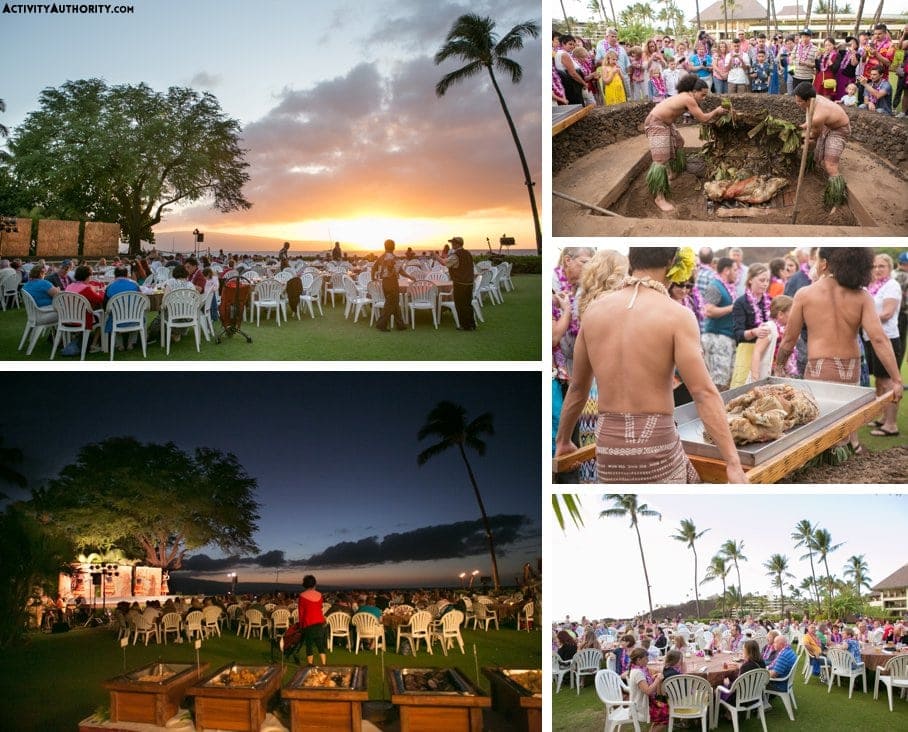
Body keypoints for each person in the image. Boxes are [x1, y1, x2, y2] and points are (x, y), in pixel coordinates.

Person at [554, 247, 747, 484]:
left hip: (608, 449)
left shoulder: (594, 312)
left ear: (632, 260)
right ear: (671, 261)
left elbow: (577, 389)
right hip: (655, 446)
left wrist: (563, 441)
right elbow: (703, 393)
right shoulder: (677, 315)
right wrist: (733, 463)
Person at [776, 248, 902, 452]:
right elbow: (879, 339)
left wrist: (779, 367)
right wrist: (896, 379)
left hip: (818, 369)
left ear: (824, 263)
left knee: (820, 431)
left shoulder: (805, 294)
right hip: (850, 370)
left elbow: (789, 340)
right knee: (846, 428)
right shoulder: (862, 296)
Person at [643, 75, 728, 212]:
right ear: (694, 91)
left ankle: (674, 171)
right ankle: (659, 197)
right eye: (703, 95)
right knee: (660, 161)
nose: (704, 98)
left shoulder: (686, 95)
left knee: (679, 142)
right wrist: (717, 111)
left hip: (665, 123)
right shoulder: (688, 99)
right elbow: (703, 118)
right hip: (656, 123)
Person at [793, 82, 851, 207]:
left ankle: (836, 197)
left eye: (799, 101)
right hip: (827, 125)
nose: (797, 103)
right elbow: (808, 123)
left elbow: (815, 134)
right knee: (816, 151)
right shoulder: (814, 100)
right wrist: (798, 128)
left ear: (808, 100)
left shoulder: (818, 115)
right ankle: (814, 168)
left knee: (829, 165)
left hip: (839, 130)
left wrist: (803, 138)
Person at [864, 253, 903, 437]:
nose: (877, 269)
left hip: (887, 338)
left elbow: (887, 313)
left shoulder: (892, 286)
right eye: (875, 266)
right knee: (879, 380)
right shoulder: (871, 286)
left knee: (889, 381)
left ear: (890, 267)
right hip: (871, 338)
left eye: (882, 266)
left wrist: (864, 318)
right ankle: (881, 416)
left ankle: (891, 424)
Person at [730, 263, 772, 388]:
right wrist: (754, 332)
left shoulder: (770, 301)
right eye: (761, 280)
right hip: (747, 350)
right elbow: (738, 334)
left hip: (766, 351)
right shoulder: (741, 302)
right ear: (750, 280)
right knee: (743, 388)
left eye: (767, 280)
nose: (765, 284)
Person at [702, 257, 739, 391]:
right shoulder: (715, 286)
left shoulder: (727, 286)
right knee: (718, 380)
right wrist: (734, 307)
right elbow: (709, 310)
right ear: (726, 270)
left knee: (726, 380)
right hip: (717, 337)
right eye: (735, 270)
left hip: (728, 337)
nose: (737, 273)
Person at [371, 239, 412, 331]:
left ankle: (400, 325)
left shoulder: (381, 257)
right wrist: (411, 277)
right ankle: (381, 324)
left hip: (385, 283)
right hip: (392, 282)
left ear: (385, 246)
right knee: (390, 304)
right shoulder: (393, 258)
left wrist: (373, 278)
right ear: (393, 247)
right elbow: (401, 271)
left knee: (394, 303)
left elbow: (373, 268)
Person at [628, 647, 668, 731]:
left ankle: (656, 723)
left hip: (646, 702)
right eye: (646, 659)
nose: (648, 661)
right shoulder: (638, 673)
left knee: (665, 707)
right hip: (642, 706)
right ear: (639, 660)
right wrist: (657, 680)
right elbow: (648, 691)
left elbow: (644, 683)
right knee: (667, 713)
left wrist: (652, 678)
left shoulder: (639, 669)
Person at [445, 236, 475, 331]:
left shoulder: (456, 255)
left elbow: (445, 263)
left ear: (457, 244)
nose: (452, 244)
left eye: (453, 243)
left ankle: (464, 325)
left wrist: (435, 256)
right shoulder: (468, 253)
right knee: (468, 304)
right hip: (469, 282)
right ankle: (471, 324)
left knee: (460, 304)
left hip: (460, 282)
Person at [298, 575, 328, 666]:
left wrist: (301, 626)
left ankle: (310, 665)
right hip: (319, 622)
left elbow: (301, 613)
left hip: (308, 623)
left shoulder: (302, 596)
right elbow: (320, 608)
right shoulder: (319, 595)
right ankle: (324, 664)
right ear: (314, 583)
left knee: (309, 645)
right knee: (320, 645)